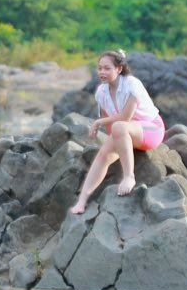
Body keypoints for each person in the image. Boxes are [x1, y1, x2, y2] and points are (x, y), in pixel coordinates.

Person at [69, 49, 166, 214]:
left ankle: (129, 177)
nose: (102, 72)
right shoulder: (101, 92)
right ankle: (82, 202)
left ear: (119, 69)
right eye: (99, 68)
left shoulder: (131, 84)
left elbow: (125, 117)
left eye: (107, 68)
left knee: (119, 126)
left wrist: (99, 122)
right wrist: (115, 143)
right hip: (127, 132)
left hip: (151, 129)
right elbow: (110, 126)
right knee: (102, 155)